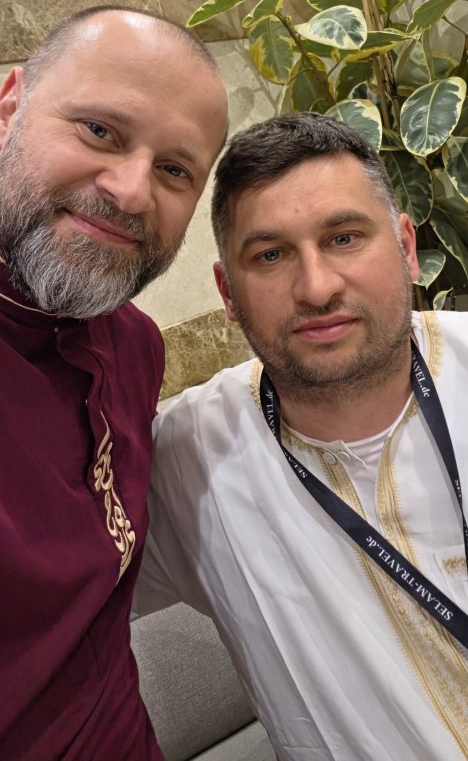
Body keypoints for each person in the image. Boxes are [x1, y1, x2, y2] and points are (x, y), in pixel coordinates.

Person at [137, 112, 468, 761]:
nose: (316, 287)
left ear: (406, 246)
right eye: (270, 255)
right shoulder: (188, 458)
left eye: (343, 237)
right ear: (228, 292)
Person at [0, 6, 228, 761]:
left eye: (174, 170)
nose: (131, 192)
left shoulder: (134, 347)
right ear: (9, 108)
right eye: (99, 130)